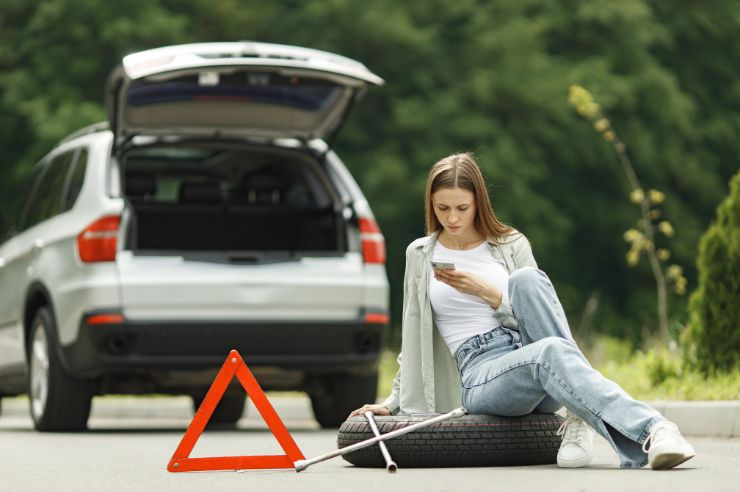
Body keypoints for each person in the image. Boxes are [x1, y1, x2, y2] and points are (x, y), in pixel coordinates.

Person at [349, 152, 696, 470]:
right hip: (481, 372)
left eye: (462, 208)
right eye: (443, 209)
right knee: (550, 351)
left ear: (478, 203)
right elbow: (413, 337)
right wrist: (393, 402)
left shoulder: (512, 244)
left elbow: (540, 311)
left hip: (531, 349)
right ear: (431, 205)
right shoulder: (421, 254)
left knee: (528, 282)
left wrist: (492, 296)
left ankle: (595, 416)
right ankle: (653, 429)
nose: (452, 218)